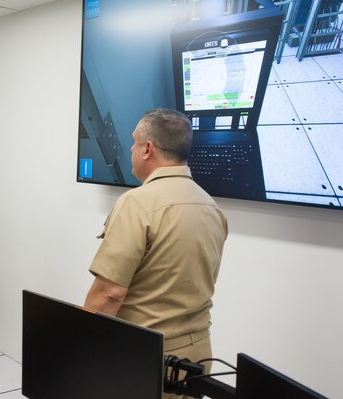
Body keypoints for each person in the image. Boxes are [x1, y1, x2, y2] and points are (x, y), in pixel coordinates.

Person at [83, 108, 227, 399]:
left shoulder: (137, 203)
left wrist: (80, 344)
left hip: (148, 357)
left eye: (134, 142)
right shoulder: (211, 207)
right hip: (198, 355)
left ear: (147, 149)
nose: (131, 149)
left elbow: (109, 293)